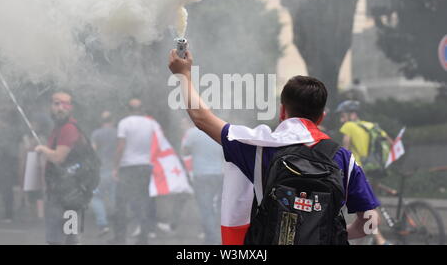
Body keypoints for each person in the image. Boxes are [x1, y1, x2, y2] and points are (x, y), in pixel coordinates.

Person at [168, 49, 381, 244]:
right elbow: (370, 222)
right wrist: (334, 233)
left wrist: (183, 74)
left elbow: (201, 119)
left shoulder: (260, 148)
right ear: (321, 117)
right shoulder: (344, 158)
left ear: (282, 112)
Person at [336, 100, 393, 245]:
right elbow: (391, 143)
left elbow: (346, 149)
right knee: (368, 207)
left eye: (343, 114)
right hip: (376, 169)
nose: (341, 118)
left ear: (351, 115)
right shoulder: (373, 126)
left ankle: (381, 241)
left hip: (359, 170)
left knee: (366, 209)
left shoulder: (348, 126)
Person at [35, 91, 86, 245]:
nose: (60, 107)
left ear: (71, 107)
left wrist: (42, 149)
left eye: (65, 104)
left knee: (58, 239)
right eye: (56, 103)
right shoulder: (59, 128)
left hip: (65, 194)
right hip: (66, 192)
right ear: (50, 106)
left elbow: (58, 157)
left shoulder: (68, 128)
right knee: (70, 238)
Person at [109, 98, 156, 245]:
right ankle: (143, 238)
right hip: (145, 166)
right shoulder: (151, 123)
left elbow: (121, 147)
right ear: (141, 109)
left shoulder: (125, 123)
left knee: (121, 203)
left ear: (128, 109)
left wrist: (115, 167)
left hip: (127, 167)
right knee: (143, 201)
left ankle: (120, 238)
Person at [181, 121, 224, 245]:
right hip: (218, 173)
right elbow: (224, 153)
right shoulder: (218, 131)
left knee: (206, 207)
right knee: (216, 206)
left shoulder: (192, 133)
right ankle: (215, 235)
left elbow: (185, 151)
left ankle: (212, 238)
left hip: (201, 174)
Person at [90, 110, 117, 237]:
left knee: (95, 197)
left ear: (102, 121)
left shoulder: (97, 134)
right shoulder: (118, 133)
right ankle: (118, 225)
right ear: (112, 121)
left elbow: (93, 152)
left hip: (101, 171)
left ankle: (103, 225)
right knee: (114, 198)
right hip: (116, 170)